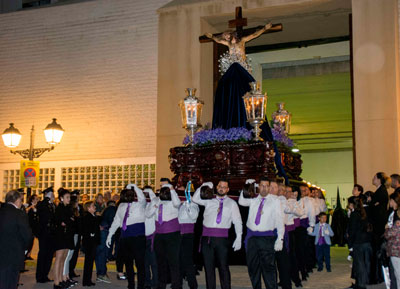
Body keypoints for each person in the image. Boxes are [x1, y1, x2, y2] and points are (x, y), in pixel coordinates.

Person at [193, 179, 242, 289]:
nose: (221, 188)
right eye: (220, 186)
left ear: (228, 189)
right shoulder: (209, 199)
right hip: (207, 238)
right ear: (216, 187)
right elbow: (195, 198)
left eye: (224, 187)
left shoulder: (232, 203)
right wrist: (203, 185)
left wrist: (239, 236)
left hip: (222, 239)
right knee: (208, 268)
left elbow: (237, 221)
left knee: (223, 267)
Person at [239, 177, 284, 289]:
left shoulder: (275, 201)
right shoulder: (253, 199)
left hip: (267, 238)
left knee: (268, 268)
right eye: (262, 185)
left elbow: (279, 220)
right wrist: (246, 186)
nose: (264, 188)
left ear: (269, 187)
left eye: (266, 186)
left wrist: (280, 238)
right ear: (258, 187)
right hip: (252, 238)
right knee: (253, 267)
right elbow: (241, 201)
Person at [107, 185, 147, 289]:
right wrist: (110, 234)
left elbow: (142, 197)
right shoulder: (121, 206)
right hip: (125, 238)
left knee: (140, 263)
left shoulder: (139, 204)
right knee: (128, 264)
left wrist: (134, 186)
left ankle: (141, 286)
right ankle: (131, 285)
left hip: (138, 237)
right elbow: (116, 221)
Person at [146, 183, 182, 289]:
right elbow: (148, 214)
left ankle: (176, 284)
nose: (164, 192)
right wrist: (154, 206)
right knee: (160, 261)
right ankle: (161, 284)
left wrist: (172, 189)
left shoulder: (173, 200)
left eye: (166, 190)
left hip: (172, 234)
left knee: (173, 261)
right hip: (159, 235)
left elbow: (177, 203)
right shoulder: (156, 200)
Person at [0, 190, 33, 289]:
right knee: (11, 282)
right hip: (14, 254)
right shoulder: (19, 214)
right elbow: (27, 235)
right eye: (21, 200)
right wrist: (26, 249)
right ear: (17, 200)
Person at [348, 197, 372, 289]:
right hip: (366, 241)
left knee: (359, 265)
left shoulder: (354, 214)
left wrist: (350, 245)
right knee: (363, 264)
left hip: (358, 242)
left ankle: (361, 285)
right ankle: (360, 283)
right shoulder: (363, 212)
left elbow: (352, 231)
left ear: (352, 204)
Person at [370, 172, 390, 284]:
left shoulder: (381, 191)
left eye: (374, 177)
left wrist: (372, 204)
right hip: (377, 222)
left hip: (378, 223)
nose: (372, 179)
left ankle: (378, 275)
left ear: (378, 179)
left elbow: (376, 208)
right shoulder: (379, 190)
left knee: (377, 248)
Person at [178, 185, 200, 289]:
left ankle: (193, 284)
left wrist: (187, 204)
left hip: (188, 234)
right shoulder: (177, 203)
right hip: (177, 233)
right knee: (177, 260)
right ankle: (178, 283)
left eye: (183, 192)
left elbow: (193, 216)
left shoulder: (194, 204)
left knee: (188, 260)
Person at [53, 188, 75, 289]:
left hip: (67, 235)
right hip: (61, 236)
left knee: (63, 258)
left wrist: (69, 221)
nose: (69, 199)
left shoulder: (67, 208)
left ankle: (61, 279)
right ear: (61, 198)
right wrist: (68, 221)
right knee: (59, 258)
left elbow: (71, 221)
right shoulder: (59, 208)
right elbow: (61, 221)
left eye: (69, 197)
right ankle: (56, 282)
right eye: (67, 197)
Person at [36, 187, 56, 283]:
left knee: (49, 255)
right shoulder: (42, 204)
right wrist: (46, 200)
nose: (53, 196)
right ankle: (40, 276)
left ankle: (45, 275)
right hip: (44, 233)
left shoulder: (52, 205)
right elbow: (43, 216)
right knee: (43, 254)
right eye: (51, 195)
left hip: (51, 233)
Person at [285, 186, 304, 288]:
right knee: (283, 257)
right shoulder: (280, 200)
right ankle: (285, 278)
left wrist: (291, 207)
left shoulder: (293, 202)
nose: (287, 193)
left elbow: (301, 213)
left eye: (289, 191)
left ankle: (296, 279)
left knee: (292, 256)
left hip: (290, 230)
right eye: (285, 191)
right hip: (281, 230)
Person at [95, 199, 116, 284]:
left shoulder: (106, 210)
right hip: (105, 232)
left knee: (100, 253)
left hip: (103, 232)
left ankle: (100, 273)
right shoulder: (112, 209)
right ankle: (102, 273)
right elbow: (112, 222)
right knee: (103, 253)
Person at [62, 190, 80, 287]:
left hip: (74, 234)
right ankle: (65, 277)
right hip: (70, 236)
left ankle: (67, 276)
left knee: (69, 257)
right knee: (66, 257)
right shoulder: (68, 211)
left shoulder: (72, 212)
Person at [82, 200, 100, 287]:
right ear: (88, 208)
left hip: (92, 242)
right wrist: (92, 234)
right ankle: (86, 280)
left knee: (90, 262)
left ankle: (88, 280)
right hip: (90, 242)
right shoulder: (88, 217)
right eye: (93, 206)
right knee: (88, 262)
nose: (95, 207)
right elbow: (88, 230)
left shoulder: (93, 216)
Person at [143, 186, 158, 289]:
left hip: (153, 237)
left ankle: (155, 282)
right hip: (143, 238)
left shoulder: (156, 203)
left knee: (154, 262)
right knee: (145, 262)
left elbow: (155, 202)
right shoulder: (141, 204)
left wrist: (151, 194)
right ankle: (147, 282)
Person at [386, 191, 400, 288]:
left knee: (398, 274)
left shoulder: (397, 217)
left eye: (390, 200)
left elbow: (391, 233)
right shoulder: (394, 213)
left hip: (396, 248)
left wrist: (386, 229)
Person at [26, 194, 40, 260]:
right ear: (32, 200)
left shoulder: (37, 207)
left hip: (34, 227)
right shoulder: (29, 206)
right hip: (29, 226)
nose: (37, 200)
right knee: (29, 241)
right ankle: (27, 254)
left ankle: (29, 254)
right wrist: (31, 207)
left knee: (32, 241)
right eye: (36, 199)